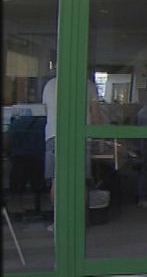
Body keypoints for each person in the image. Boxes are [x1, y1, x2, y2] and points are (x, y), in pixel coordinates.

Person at [42, 74, 104, 232]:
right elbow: (96, 117)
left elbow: (47, 112)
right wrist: (101, 136)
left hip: (54, 135)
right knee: (80, 180)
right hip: (80, 136)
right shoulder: (89, 85)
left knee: (57, 180)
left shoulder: (50, 85)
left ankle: (58, 222)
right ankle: (78, 223)